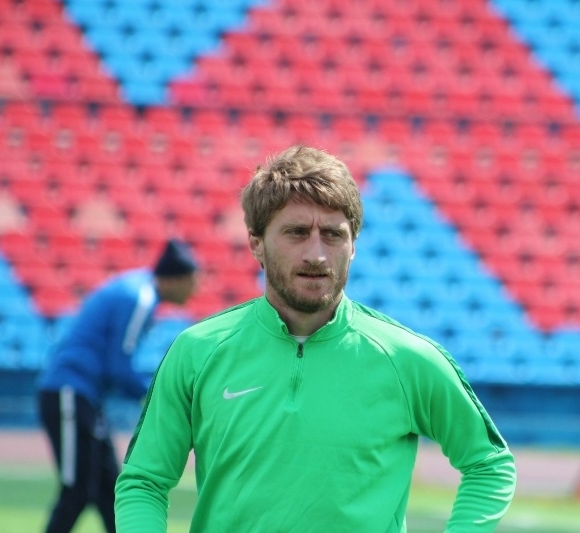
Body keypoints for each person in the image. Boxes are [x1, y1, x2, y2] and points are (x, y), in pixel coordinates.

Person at [115, 145, 517, 532]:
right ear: (256, 243)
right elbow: (144, 481)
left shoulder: (407, 358)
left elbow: (489, 463)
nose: (317, 254)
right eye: (296, 232)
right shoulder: (197, 351)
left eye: (333, 234)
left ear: (353, 245)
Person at [37, 238, 199, 533]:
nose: (195, 290)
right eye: (192, 281)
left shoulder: (137, 289)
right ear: (175, 278)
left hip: (85, 397)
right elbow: (119, 366)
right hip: (69, 392)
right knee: (76, 490)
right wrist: (159, 398)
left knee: (109, 490)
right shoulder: (139, 297)